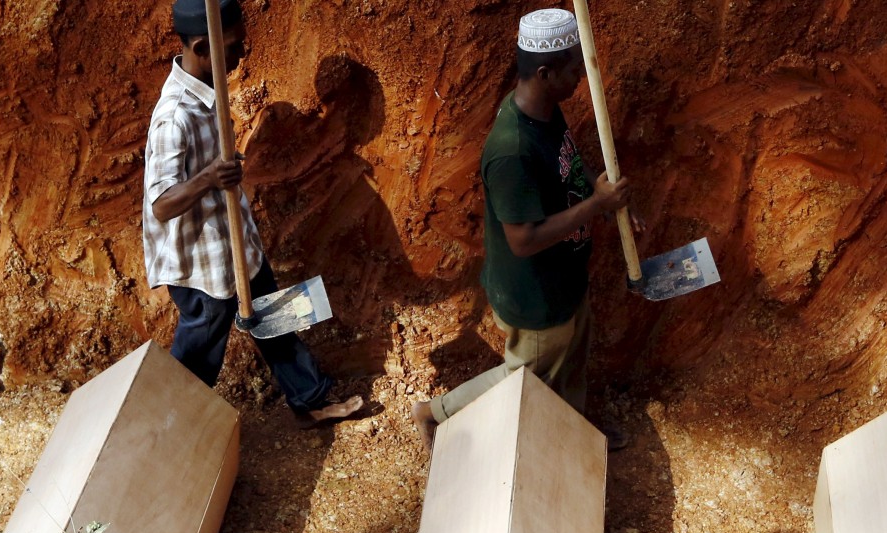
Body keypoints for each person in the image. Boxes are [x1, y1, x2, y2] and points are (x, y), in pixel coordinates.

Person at [412, 7, 636, 449]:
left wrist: (603, 193)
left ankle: (574, 437)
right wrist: (597, 204)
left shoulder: (545, 108)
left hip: (564, 278)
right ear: (546, 71)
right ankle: (435, 414)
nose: (581, 77)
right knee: (521, 377)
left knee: (571, 362)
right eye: (575, 68)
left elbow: (569, 159)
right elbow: (523, 239)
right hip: (535, 295)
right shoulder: (512, 150)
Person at [142, 0, 361, 424]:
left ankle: (311, 398)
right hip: (202, 271)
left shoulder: (209, 92)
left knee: (277, 317)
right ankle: (165, 429)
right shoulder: (174, 116)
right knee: (195, 359)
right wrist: (210, 178)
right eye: (234, 46)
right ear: (204, 46)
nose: (243, 53)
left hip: (236, 245)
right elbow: (162, 204)